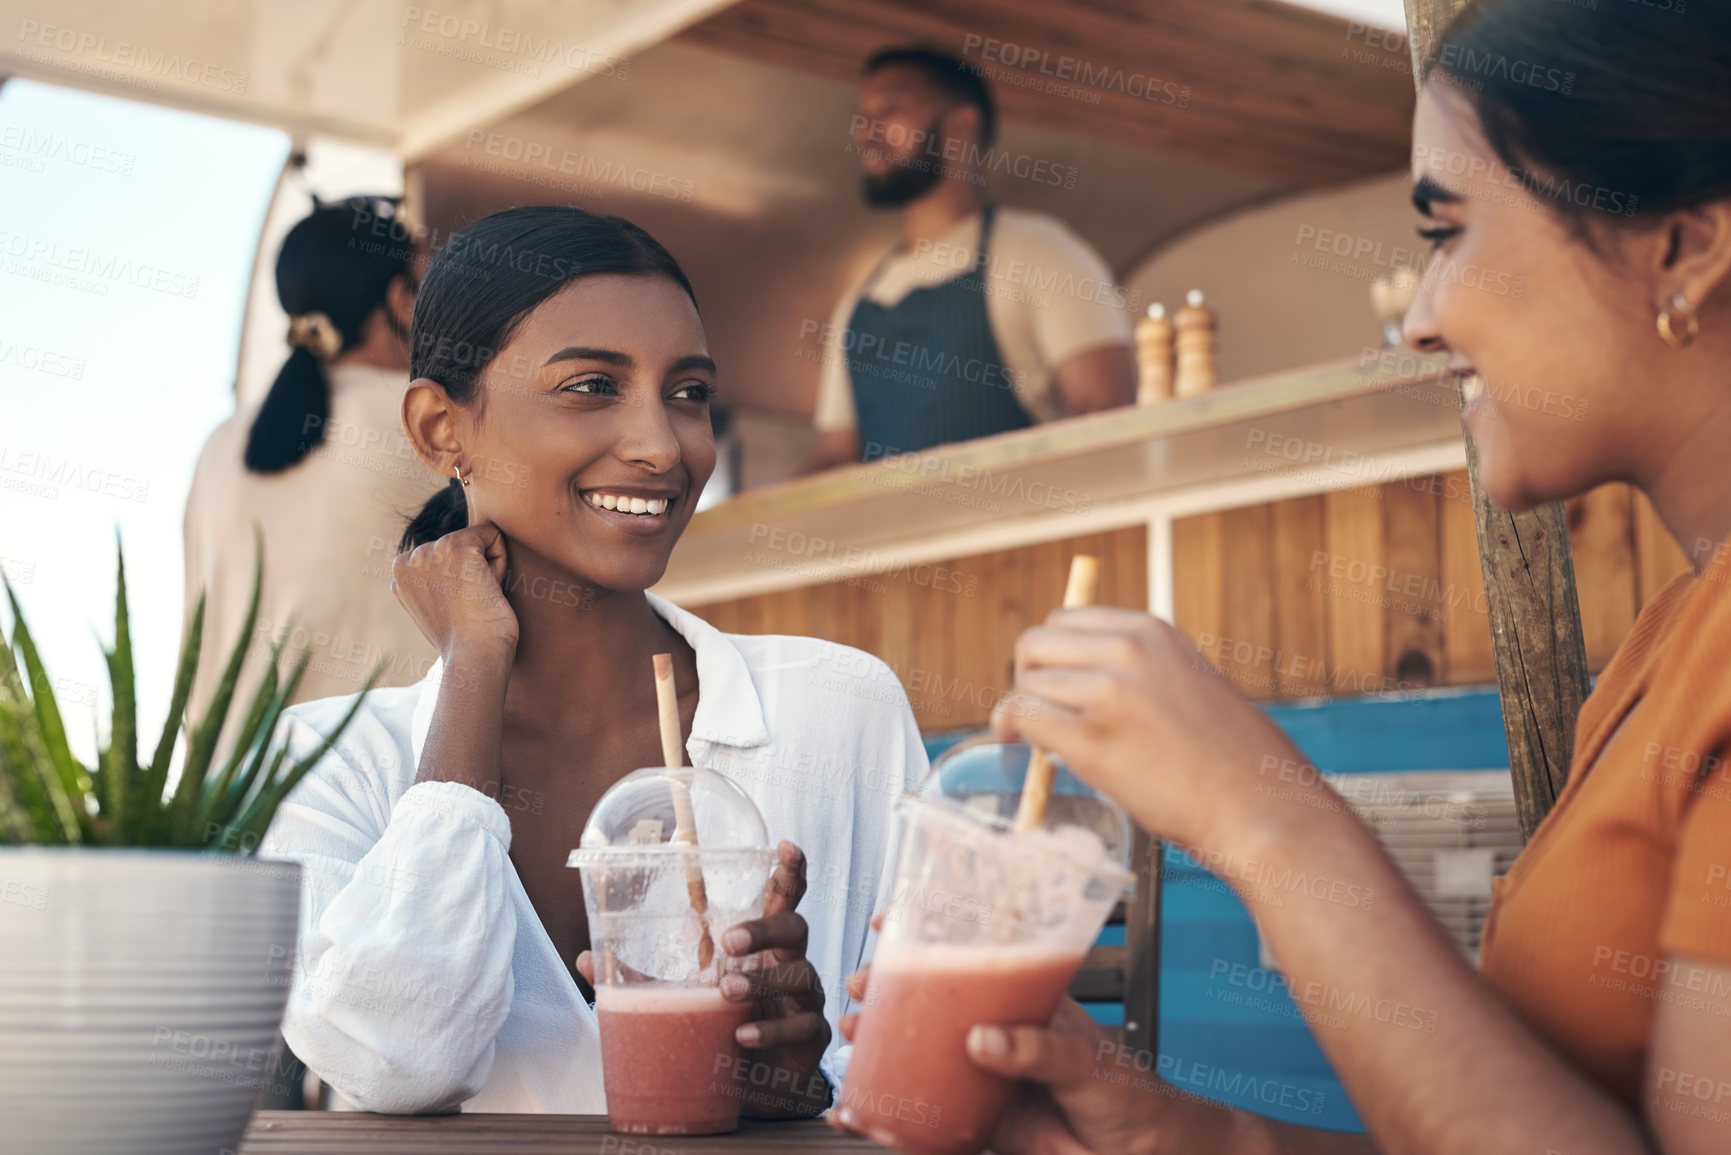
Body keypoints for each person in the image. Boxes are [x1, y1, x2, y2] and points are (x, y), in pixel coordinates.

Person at [837, 2, 1731, 1152]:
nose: (1417, 319)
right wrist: (1181, 1134)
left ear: (1686, 250)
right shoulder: (1676, 639)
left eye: (1447, 232)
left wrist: (1266, 818)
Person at [259, 205, 927, 1116]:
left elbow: (933, 1093)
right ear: (439, 429)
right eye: (591, 387)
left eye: (688, 392)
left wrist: (799, 1085)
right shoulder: (330, 761)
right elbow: (400, 1060)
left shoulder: (840, 711)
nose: (664, 445)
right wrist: (472, 670)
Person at [803, 47, 1135, 470]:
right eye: (862, 115)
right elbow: (834, 456)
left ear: (961, 126)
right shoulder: (856, 303)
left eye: (889, 110)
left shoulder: (1041, 252)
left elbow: (1107, 423)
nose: (864, 132)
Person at [183, 197, 444, 720]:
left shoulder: (220, 444)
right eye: (429, 289)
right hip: (379, 782)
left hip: (232, 786)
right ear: (401, 301)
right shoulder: (429, 421)